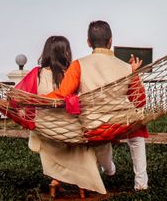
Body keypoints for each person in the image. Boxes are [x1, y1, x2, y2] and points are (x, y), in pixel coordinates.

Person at [45, 21, 149, 191]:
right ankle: (141, 183)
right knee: (138, 130)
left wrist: (34, 98)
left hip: (94, 123)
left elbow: (62, 95)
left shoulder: (78, 65)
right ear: (110, 41)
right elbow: (140, 101)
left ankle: (109, 169)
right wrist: (134, 73)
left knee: (99, 136)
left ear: (88, 42)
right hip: (123, 121)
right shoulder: (126, 68)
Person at [19, 35, 105, 197]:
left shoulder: (37, 74)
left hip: (46, 129)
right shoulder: (73, 73)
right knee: (82, 145)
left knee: (46, 141)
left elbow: (23, 98)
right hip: (69, 129)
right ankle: (83, 185)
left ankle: (55, 181)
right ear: (66, 52)